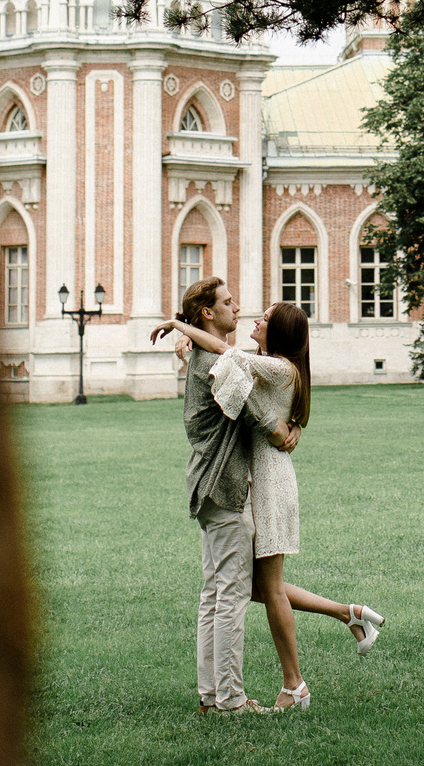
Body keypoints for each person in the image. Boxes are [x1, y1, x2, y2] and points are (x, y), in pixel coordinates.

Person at [165, 302, 385, 713]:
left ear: (278, 331)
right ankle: (347, 613)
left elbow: (226, 356)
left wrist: (182, 326)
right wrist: (187, 342)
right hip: (260, 478)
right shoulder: (274, 365)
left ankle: (295, 685)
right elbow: (226, 369)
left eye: (264, 319)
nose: (254, 320)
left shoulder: (280, 368)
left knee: (264, 587)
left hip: (269, 482)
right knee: (252, 586)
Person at [157, 277, 289, 716]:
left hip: (207, 487)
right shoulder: (217, 364)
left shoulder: (204, 356)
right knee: (229, 596)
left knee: (214, 593)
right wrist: (280, 431)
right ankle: (230, 699)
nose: (238, 308)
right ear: (208, 313)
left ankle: (212, 695)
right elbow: (251, 406)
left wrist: (182, 334)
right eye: (228, 303)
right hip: (226, 488)